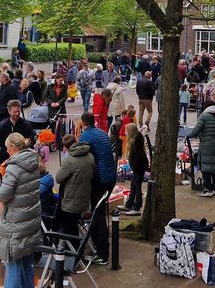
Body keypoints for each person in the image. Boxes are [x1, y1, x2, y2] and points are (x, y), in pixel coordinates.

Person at [0, 133, 41, 287]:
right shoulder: (33, 161)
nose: (6, 151)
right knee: (27, 263)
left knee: (13, 264)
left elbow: (4, 193)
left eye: (7, 148)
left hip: (15, 222)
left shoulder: (14, 167)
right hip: (29, 221)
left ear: (13, 148)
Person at [79, 113, 117, 266]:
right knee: (99, 211)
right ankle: (98, 244)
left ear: (83, 123)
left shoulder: (85, 136)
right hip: (110, 177)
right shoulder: (101, 133)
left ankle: (102, 254)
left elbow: (82, 158)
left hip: (100, 179)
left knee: (98, 214)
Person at [53, 139, 94, 249]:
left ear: (66, 147)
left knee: (69, 227)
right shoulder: (90, 156)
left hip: (71, 200)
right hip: (84, 197)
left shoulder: (70, 160)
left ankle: (71, 252)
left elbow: (58, 178)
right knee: (72, 224)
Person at [186, 100, 215, 197]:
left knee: (206, 166)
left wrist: (188, 136)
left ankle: (207, 189)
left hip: (207, 145)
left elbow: (196, 130)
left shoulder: (204, 116)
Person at [0, 100, 34, 167]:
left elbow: (31, 142)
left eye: (18, 111)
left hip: (22, 161)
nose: (17, 114)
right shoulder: (2, 126)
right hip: (6, 161)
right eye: (14, 112)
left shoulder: (26, 125)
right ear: (9, 111)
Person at [119, 124, 148, 215]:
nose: (125, 132)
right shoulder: (136, 140)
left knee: (137, 186)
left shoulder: (135, 143)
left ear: (130, 132)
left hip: (139, 167)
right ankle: (129, 204)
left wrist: (134, 167)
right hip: (138, 167)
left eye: (126, 131)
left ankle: (136, 207)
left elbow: (138, 157)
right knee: (133, 184)